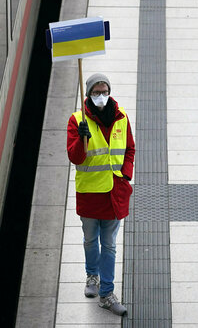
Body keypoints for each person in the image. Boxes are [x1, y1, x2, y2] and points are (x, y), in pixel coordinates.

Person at [67, 73, 135, 316]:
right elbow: (75, 157)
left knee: (109, 245)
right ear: (88, 95)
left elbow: (130, 149)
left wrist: (125, 175)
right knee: (89, 239)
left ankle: (106, 293)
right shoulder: (77, 121)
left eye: (104, 91)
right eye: (96, 92)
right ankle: (92, 276)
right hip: (89, 194)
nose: (101, 96)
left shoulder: (121, 116)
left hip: (114, 195)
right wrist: (82, 138)